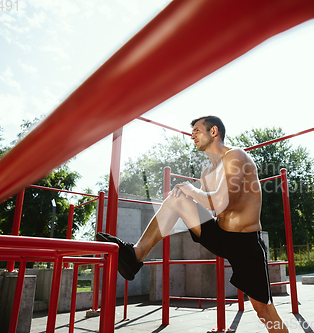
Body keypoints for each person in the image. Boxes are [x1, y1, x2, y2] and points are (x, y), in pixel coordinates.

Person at [97, 116, 289, 332]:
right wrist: (185, 200)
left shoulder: (236, 156)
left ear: (213, 131)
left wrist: (192, 191)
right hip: (220, 233)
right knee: (175, 199)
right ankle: (135, 255)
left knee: (264, 311)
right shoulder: (207, 173)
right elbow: (209, 206)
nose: (192, 135)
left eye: (197, 130)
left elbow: (220, 200)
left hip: (245, 243)